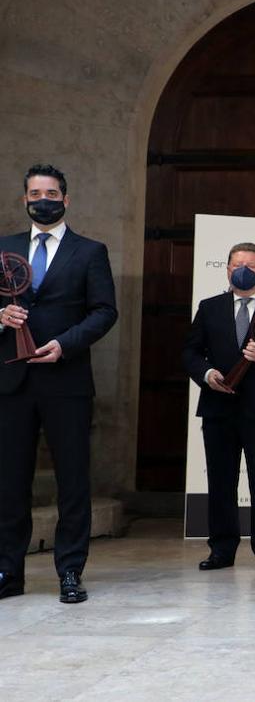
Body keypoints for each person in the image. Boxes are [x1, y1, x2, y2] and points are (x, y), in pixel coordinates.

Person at [0, 164, 117, 603]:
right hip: (11, 379)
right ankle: (7, 571)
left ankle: (70, 570)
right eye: (34, 193)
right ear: (24, 200)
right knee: (9, 481)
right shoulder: (3, 248)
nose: (42, 199)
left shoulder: (90, 251)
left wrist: (64, 344)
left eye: (50, 193)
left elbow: (105, 311)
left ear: (65, 200)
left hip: (65, 378)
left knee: (73, 480)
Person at [182, 242, 255, 573]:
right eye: (237, 264)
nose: (243, 270)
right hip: (218, 408)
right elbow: (190, 353)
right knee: (221, 483)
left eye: (251, 265)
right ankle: (221, 550)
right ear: (226, 270)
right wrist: (206, 373)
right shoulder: (209, 307)